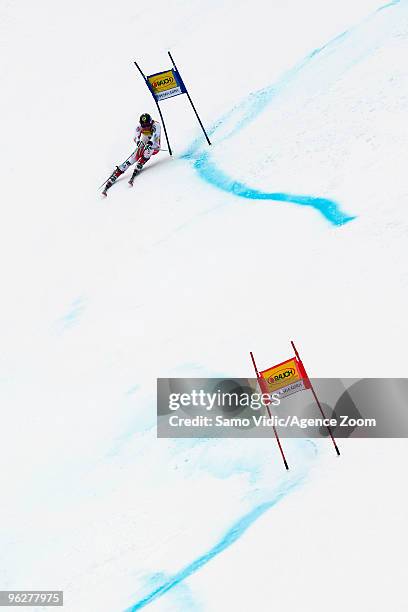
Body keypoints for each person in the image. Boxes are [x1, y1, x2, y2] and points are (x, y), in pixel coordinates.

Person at [102, 113, 161, 195]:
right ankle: (120, 170)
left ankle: (141, 162)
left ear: (151, 122)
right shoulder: (138, 126)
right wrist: (138, 142)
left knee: (148, 149)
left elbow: (156, 135)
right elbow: (135, 137)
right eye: (143, 126)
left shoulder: (156, 125)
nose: (146, 127)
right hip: (144, 141)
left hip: (155, 145)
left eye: (147, 125)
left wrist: (150, 143)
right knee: (132, 158)